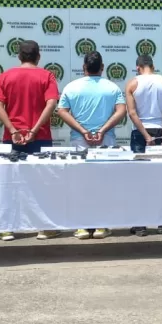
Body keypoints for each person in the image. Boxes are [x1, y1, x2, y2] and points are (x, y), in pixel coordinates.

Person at [0, 39, 61, 241]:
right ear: (38, 56)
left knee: (9, 182)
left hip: (12, 138)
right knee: (42, 182)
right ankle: (44, 228)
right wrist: (35, 129)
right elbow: (52, 103)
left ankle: (6, 228)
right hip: (40, 138)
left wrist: (12, 129)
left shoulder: (5, 76)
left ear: (19, 56)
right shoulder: (46, 75)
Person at [57, 51, 126, 240]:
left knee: (81, 183)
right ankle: (102, 226)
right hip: (106, 141)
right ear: (102, 67)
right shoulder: (112, 87)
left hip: (80, 140)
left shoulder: (72, 87)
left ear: (84, 67)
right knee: (104, 184)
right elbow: (121, 110)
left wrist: (83, 130)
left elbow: (62, 111)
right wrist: (102, 130)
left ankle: (81, 226)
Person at [124, 54, 162, 236]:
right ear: (153, 66)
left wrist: (146, 136)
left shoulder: (132, 83)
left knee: (140, 180)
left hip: (140, 133)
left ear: (138, 67)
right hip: (161, 131)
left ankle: (140, 224)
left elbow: (132, 113)